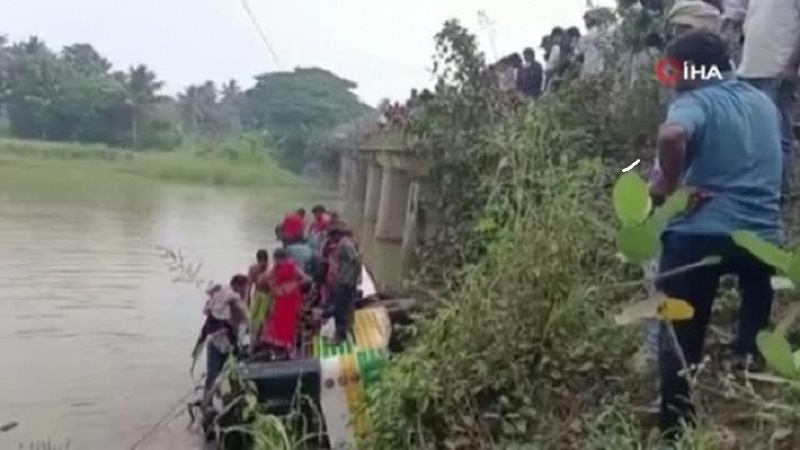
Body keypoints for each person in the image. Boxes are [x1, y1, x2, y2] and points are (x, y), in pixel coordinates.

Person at [650, 30, 782, 438]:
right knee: (758, 282)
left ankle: (676, 425)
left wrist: (668, 188)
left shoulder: (693, 102)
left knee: (677, 327)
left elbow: (671, 136)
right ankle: (746, 350)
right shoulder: (764, 102)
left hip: (700, 232)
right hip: (762, 233)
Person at [738, 0, 800, 201]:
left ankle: (778, 192)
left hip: (776, 70)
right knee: (755, 136)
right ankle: (759, 188)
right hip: (750, 69)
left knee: (778, 135)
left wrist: (792, 65)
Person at [193, 275, 250, 408]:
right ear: (237, 286)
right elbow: (208, 319)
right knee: (212, 375)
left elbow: (244, 326)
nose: (245, 291)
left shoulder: (238, 305)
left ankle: (227, 402)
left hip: (231, 347)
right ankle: (207, 404)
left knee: (230, 376)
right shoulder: (224, 302)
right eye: (244, 287)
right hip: (217, 345)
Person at [261, 248, 311, 358]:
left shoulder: (293, 267)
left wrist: (293, 285)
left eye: (277, 259)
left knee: (290, 322)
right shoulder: (274, 268)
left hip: (292, 298)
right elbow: (264, 279)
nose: (276, 261)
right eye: (275, 259)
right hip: (280, 298)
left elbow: (306, 278)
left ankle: (289, 348)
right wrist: (274, 287)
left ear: (283, 258)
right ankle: (280, 347)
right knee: (278, 321)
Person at [321, 220, 363, 344]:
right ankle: (344, 333)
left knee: (340, 309)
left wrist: (353, 279)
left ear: (336, 235)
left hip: (345, 282)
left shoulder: (345, 244)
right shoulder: (344, 243)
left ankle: (340, 336)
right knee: (344, 308)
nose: (331, 240)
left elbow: (356, 260)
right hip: (343, 280)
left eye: (332, 237)